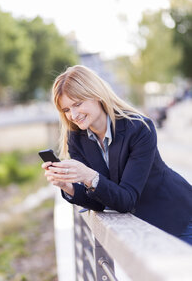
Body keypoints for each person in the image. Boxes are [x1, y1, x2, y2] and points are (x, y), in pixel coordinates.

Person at [42, 65, 192, 245]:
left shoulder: (139, 129)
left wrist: (88, 175)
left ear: (96, 95)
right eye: (66, 110)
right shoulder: (77, 138)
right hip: (142, 230)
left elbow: (126, 199)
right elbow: (99, 201)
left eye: (77, 104)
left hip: (177, 217)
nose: (73, 115)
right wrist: (68, 186)